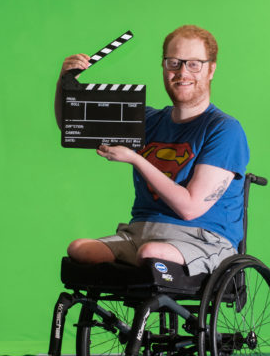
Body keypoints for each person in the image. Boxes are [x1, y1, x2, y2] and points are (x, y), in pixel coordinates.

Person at [54, 25, 249, 276]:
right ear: (163, 66)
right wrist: (64, 81)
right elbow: (71, 125)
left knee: (150, 254)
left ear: (211, 69)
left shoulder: (225, 130)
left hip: (202, 240)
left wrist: (135, 159)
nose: (181, 72)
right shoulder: (145, 120)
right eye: (173, 63)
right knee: (80, 250)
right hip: (141, 234)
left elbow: (189, 208)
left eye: (193, 64)